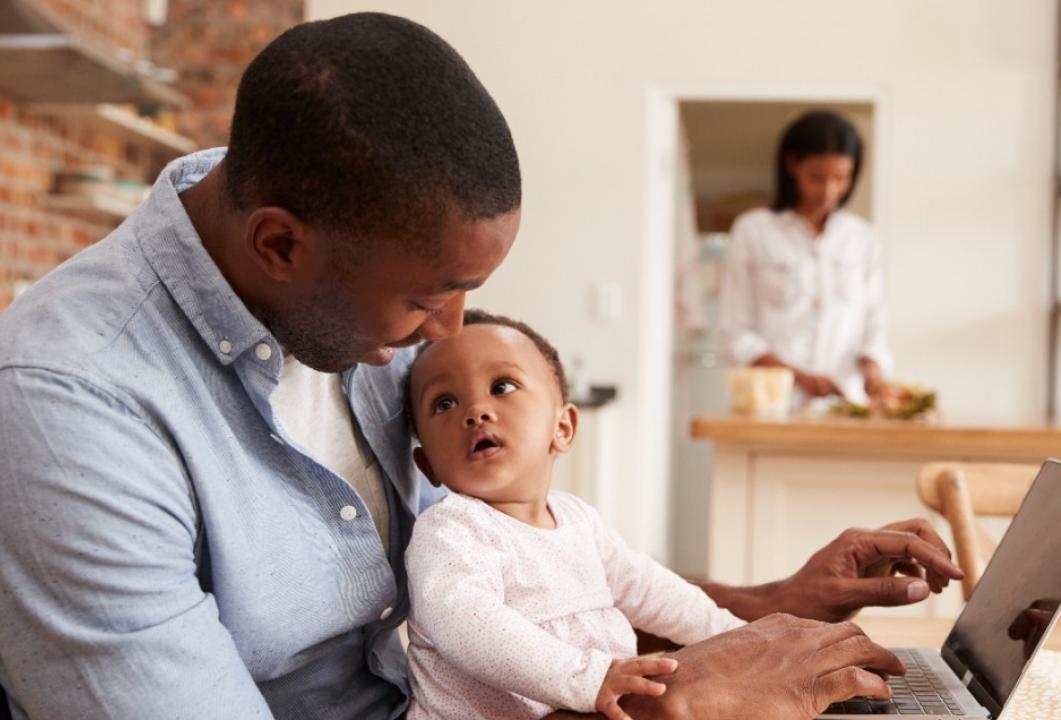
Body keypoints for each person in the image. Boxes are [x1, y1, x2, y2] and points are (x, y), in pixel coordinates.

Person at [0, 12, 961, 720]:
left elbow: (539, 584)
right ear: (280, 246)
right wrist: (682, 703)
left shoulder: (349, 254)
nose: (446, 333)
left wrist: (768, 608)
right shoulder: (69, 410)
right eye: (427, 299)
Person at [404, 309, 750, 720]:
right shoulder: (451, 530)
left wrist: (737, 637)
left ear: (563, 427)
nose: (476, 411)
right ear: (429, 467)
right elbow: (466, 625)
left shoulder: (578, 519)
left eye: (503, 386)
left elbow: (651, 589)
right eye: (444, 403)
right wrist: (586, 677)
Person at [720, 110, 891, 404]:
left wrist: (874, 376)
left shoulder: (861, 238)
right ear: (791, 165)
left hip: (846, 407)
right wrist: (799, 378)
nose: (829, 191)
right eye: (817, 177)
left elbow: (874, 324)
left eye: (841, 178)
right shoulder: (754, 231)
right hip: (773, 406)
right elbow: (736, 334)